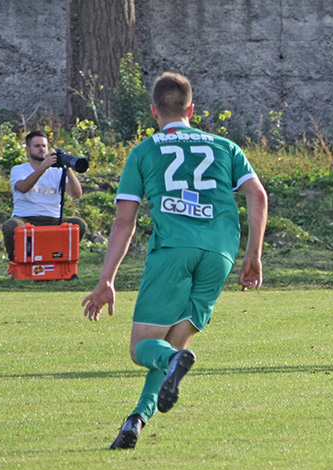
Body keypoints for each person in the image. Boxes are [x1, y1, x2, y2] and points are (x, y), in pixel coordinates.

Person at [81, 72, 268, 449]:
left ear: (154, 111)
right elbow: (258, 196)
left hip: (173, 249)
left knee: (142, 348)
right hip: (219, 252)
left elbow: (124, 221)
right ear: (191, 109)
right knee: (172, 346)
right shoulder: (225, 147)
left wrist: (107, 279)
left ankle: (168, 367)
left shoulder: (144, 151)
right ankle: (136, 420)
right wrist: (253, 255)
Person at [2, 130, 87, 262]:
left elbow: (76, 194)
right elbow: (23, 188)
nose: (41, 149)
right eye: (37, 146)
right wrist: (43, 167)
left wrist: (68, 168)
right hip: (25, 218)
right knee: (11, 225)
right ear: (28, 150)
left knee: (79, 224)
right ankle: (16, 263)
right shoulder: (19, 169)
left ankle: (62, 260)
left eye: (44, 146)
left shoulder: (57, 172)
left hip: (53, 219)